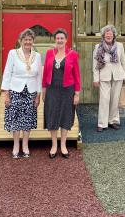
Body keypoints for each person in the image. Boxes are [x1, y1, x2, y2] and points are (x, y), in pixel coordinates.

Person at [1, 29, 42, 158]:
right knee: (15, 118)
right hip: (15, 90)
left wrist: (38, 95)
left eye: (30, 40)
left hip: (31, 91)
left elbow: (39, 76)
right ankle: (16, 146)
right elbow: (7, 73)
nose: (28, 42)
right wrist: (6, 93)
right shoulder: (13, 53)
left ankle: (25, 145)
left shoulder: (37, 56)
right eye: (25, 39)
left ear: (33, 41)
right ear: (20, 41)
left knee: (28, 118)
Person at [42, 28, 81, 158]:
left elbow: (77, 75)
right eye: (57, 38)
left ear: (66, 40)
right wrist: (43, 90)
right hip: (52, 89)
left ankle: (63, 145)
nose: (59, 40)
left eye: (62, 38)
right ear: (55, 40)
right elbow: (45, 73)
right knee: (52, 115)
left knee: (65, 116)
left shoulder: (73, 54)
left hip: (67, 90)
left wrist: (77, 93)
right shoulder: (48, 53)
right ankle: (54, 145)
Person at [93, 25, 125, 132]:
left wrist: (124, 75)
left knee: (115, 99)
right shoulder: (98, 47)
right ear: (103, 35)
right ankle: (102, 123)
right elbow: (95, 64)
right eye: (107, 34)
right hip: (104, 76)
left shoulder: (120, 46)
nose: (109, 35)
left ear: (113, 35)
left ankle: (113, 120)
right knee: (104, 99)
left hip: (118, 76)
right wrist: (95, 79)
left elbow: (123, 62)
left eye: (110, 34)